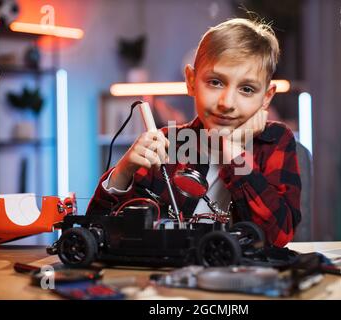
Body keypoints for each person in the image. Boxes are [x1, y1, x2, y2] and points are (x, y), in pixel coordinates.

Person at [87, 18, 301, 247]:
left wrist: (233, 152)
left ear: (266, 97)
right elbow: (96, 233)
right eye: (215, 82)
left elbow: (277, 237)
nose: (227, 103)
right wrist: (122, 172)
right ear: (191, 81)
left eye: (247, 89)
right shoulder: (167, 144)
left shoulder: (275, 141)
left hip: (242, 279)